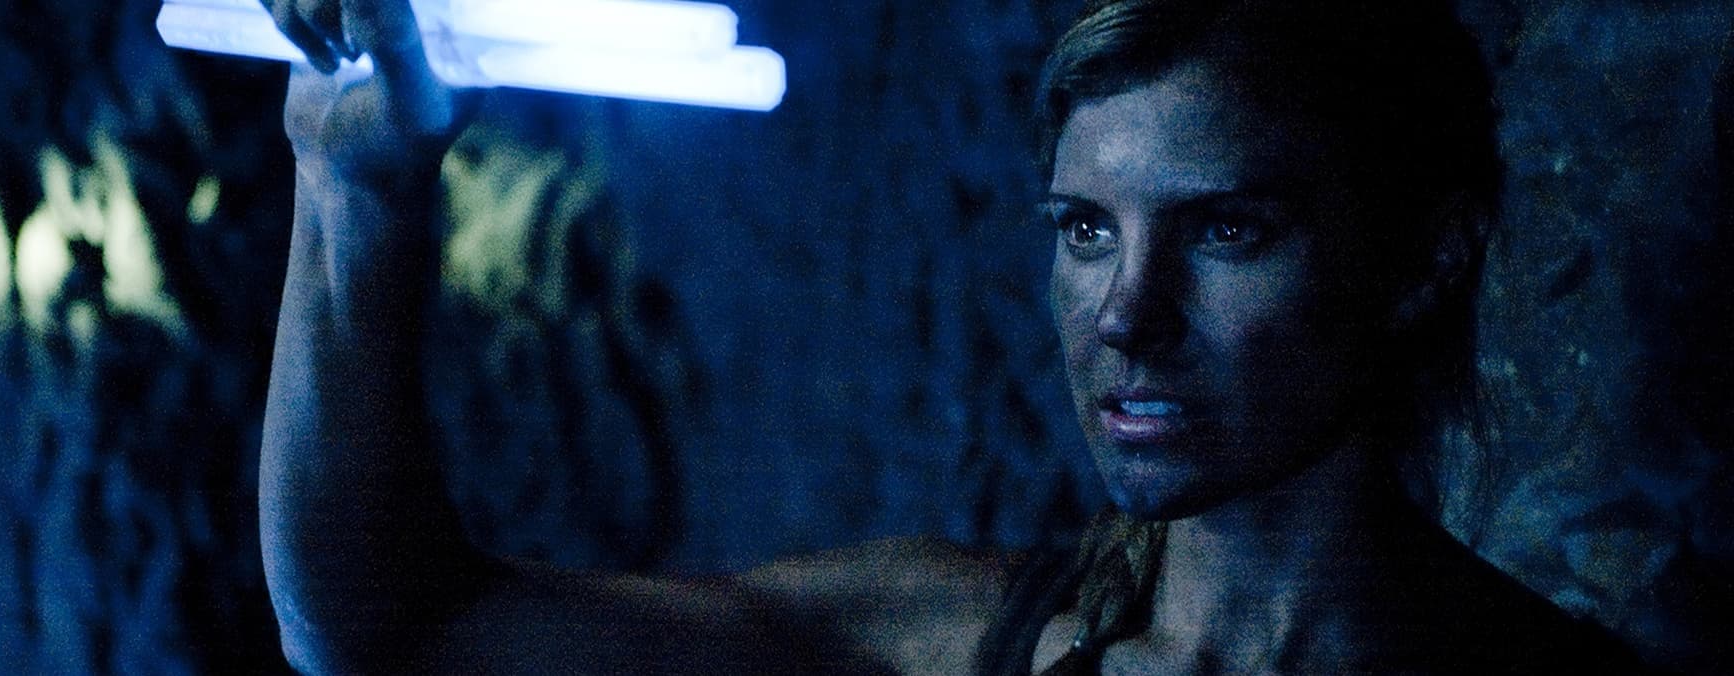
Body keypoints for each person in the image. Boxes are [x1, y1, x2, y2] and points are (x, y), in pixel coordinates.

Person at [258, 0, 1645, 672]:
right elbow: (385, 630)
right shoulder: (957, 638)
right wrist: (355, 188)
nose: (1127, 316)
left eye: (1228, 230)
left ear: (1421, 259)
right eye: (1085, 228)